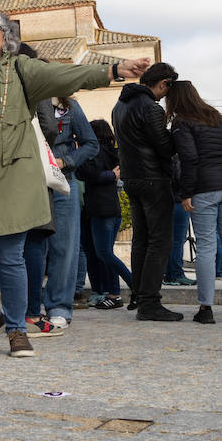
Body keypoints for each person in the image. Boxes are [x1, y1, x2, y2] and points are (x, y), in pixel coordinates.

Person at [0, 8, 150, 358]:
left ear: (5, 35)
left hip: (12, 172)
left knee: (9, 256)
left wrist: (113, 71)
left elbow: (66, 75)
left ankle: (18, 329)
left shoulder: (22, 69)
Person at [166, 80, 222, 325]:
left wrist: (186, 192)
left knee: (205, 247)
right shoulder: (218, 117)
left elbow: (189, 158)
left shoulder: (181, 122)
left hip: (204, 188)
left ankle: (206, 309)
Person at [111, 61, 181, 322]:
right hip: (153, 177)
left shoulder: (119, 106)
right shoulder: (150, 107)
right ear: (163, 83)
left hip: (131, 178)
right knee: (160, 240)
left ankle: (139, 296)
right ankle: (150, 302)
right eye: (167, 89)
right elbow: (163, 146)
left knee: (141, 238)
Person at [27, 91, 98, 337]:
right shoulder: (18, 102)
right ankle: (30, 310)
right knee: (31, 250)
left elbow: (91, 144)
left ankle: (59, 307)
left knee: (64, 248)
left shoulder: (68, 107)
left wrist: (65, 160)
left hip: (61, 183)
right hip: (28, 185)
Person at [78, 119, 133, 308]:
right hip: (111, 209)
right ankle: (114, 295)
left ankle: (137, 287)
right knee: (105, 254)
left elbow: (87, 173)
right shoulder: (114, 152)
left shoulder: (96, 152)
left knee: (104, 254)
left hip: (101, 210)